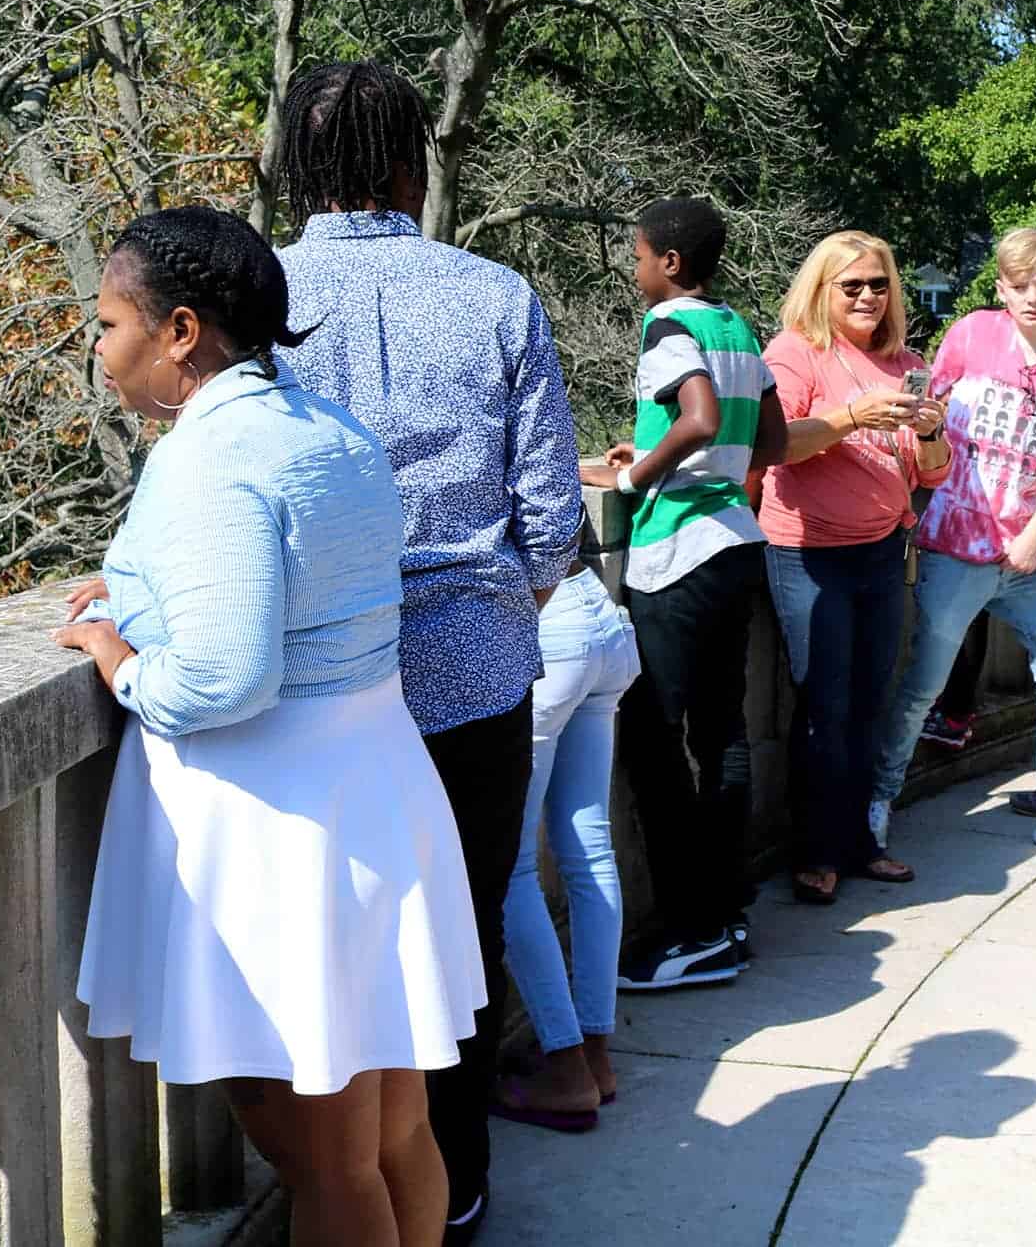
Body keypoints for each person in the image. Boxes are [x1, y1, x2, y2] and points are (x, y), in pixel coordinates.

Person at [57, 206, 484, 1246]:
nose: (98, 350)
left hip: (277, 831)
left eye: (109, 324)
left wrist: (119, 655)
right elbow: (292, 589)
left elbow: (223, 676)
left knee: (327, 1164)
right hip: (368, 792)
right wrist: (141, 588)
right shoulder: (331, 429)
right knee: (394, 1135)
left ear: (180, 331)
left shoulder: (210, 456)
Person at [276, 62, 580, 1245]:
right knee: (461, 938)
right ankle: (450, 1188)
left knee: (330, 946)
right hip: (473, 672)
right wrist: (497, 604)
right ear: (412, 163)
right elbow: (550, 516)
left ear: (296, 165)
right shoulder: (496, 294)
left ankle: (344, 1189)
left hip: (310, 687)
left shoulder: (257, 297)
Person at [582, 198, 789, 990]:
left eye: (638, 256)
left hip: (677, 556)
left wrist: (636, 475)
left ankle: (692, 931)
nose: (635, 270)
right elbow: (770, 441)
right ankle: (727, 911)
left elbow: (698, 418)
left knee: (652, 740)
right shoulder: (735, 327)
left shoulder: (666, 326)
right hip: (736, 542)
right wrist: (657, 448)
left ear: (669, 263)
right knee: (724, 733)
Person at [870, 227, 1036, 862]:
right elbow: (924, 419)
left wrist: (1035, 535)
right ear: (1001, 288)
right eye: (1019, 286)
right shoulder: (972, 334)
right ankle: (880, 797)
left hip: (1030, 553)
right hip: (954, 543)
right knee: (925, 685)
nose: (1032, 298)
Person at [759, 230, 951, 904]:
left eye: (879, 284)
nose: (868, 295)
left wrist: (929, 430)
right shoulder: (794, 353)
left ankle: (859, 842)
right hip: (809, 553)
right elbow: (776, 444)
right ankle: (816, 851)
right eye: (852, 285)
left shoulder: (907, 362)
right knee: (825, 705)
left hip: (881, 549)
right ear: (822, 290)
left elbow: (935, 472)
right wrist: (851, 415)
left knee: (870, 702)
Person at [491, 561, 638, 1134]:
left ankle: (567, 1065)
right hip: (594, 608)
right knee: (589, 847)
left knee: (511, 867)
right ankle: (595, 1055)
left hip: (543, 625)